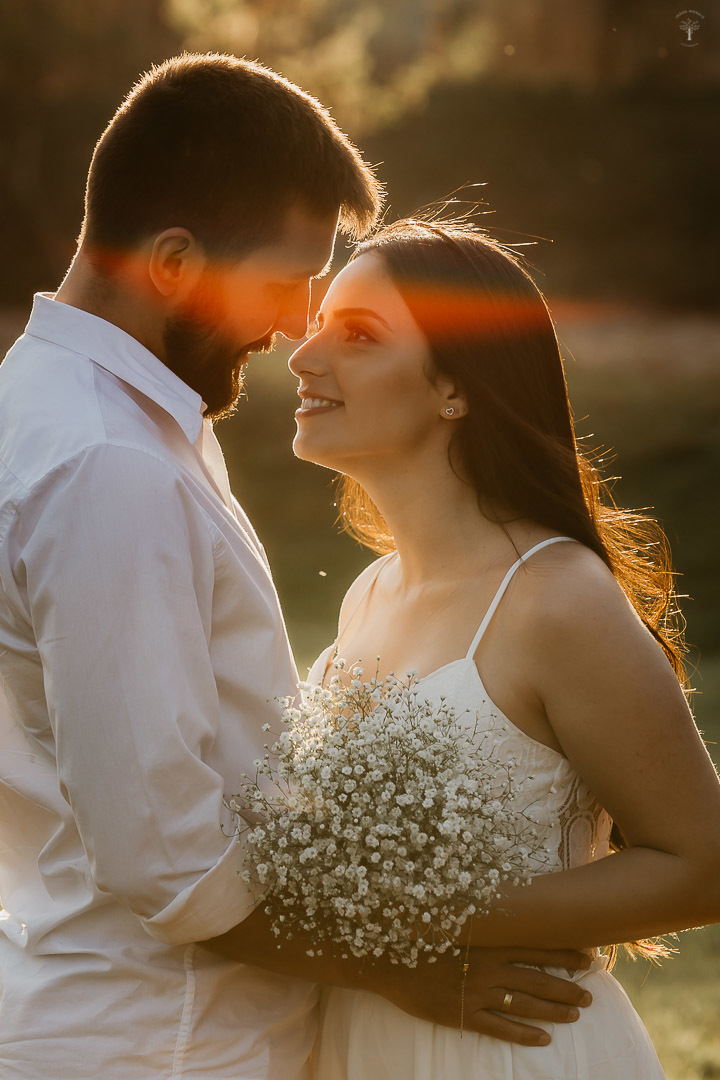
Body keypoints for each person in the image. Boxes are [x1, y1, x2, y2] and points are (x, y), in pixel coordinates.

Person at [0, 57, 591, 1079]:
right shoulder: (109, 463)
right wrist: (403, 971)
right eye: (283, 283)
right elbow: (170, 863)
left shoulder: (75, 408)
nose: (291, 328)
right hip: (162, 1044)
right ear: (174, 262)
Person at [285, 216, 720, 1079]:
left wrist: (430, 918)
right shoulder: (366, 594)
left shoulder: (558, 599)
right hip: (359, 1046)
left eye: (359, 336)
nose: (304, 356)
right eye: (316, 324)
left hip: (508, 1051)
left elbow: (702, 864)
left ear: (456, 386)